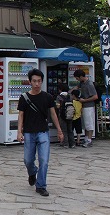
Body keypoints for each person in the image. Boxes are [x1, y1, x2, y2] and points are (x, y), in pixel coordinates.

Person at [17, 68, 64, 197]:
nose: (37, 84)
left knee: (44, 160)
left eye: (39, 81)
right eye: (34, 81)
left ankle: (41, 185)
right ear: (30, 82)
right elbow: (21, 115)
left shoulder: (47, 97)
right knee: (28, 160)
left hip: (43, 132)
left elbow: (53, 114)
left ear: (42, 81)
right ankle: (32, 172)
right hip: (28, 132)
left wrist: (59, 131)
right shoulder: (24, 97)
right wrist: (19, 131)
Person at [73, 69, 98, 148]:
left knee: (89, 123)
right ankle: (86, 138)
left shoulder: (89, 84)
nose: (77, 80)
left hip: (89, 106)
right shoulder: (82, 83)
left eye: (77, 78)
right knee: (85, 124)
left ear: (81, 77)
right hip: (83, 106)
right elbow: (76, 87)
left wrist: (85, 100)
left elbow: (95, 96)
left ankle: (89, 140)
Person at [56, 83, 75, 148]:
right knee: (70, 130)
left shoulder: (59, 97)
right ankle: (72, 143)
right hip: (70, 115)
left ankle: (65, 143)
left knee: (64, 130)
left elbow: (58, 106)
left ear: (60, 89)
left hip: (62, 115)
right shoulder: (70, 96)